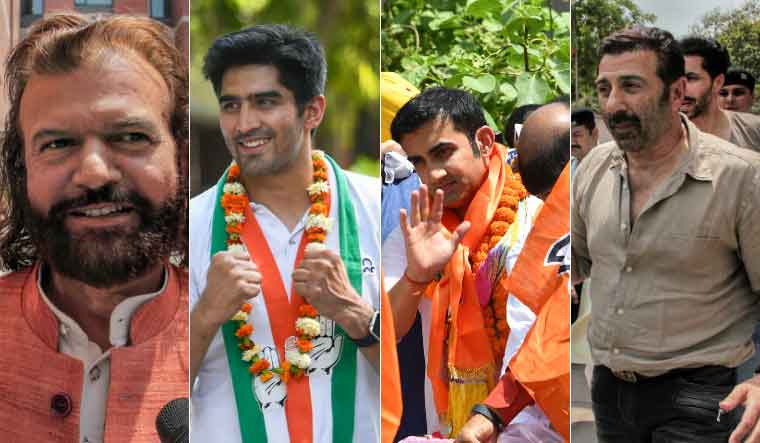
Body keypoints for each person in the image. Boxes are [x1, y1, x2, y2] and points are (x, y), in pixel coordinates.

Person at [0, 13, 189, 442]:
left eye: (129, 137)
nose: (94, 173)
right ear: (22, 168)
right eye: (58, 144)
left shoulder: (231, 332)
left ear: (180, 158)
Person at [189, 24, 380, 443]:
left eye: (265, 102)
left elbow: (420, 374)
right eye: (231, 105)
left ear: (313, 110)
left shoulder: (377, 208)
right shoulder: (187, 227)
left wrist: (355, 314)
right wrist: (204, 317)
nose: (244, 124)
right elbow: (154, 396)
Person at [574, 26, 760, 443]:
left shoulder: (741, 177)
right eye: (604, 88)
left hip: (701, 396)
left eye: (631, 86)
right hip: (609, 391)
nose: (613, 104)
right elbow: (575, 261)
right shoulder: (594, 169)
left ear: (676, 93)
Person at [383, 86, 546, 437]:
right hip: (451, 426)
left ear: (484, 141)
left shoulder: (535, 218)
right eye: (419, 162)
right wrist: (416, 276)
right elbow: (387, 333)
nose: (433, 174)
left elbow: (546, 341)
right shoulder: (416, 227)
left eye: (443, 153)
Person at [455, 101, 571, 443]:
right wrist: (493, 412)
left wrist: (493, 413)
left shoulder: (547, 230)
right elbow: (541, 339)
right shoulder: (544, 230)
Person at [679, 36, 760, 151]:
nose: (679, 88)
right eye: (673, 78)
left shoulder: (754, 130)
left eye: (691, 78)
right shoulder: (655, 137)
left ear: (717, 82)